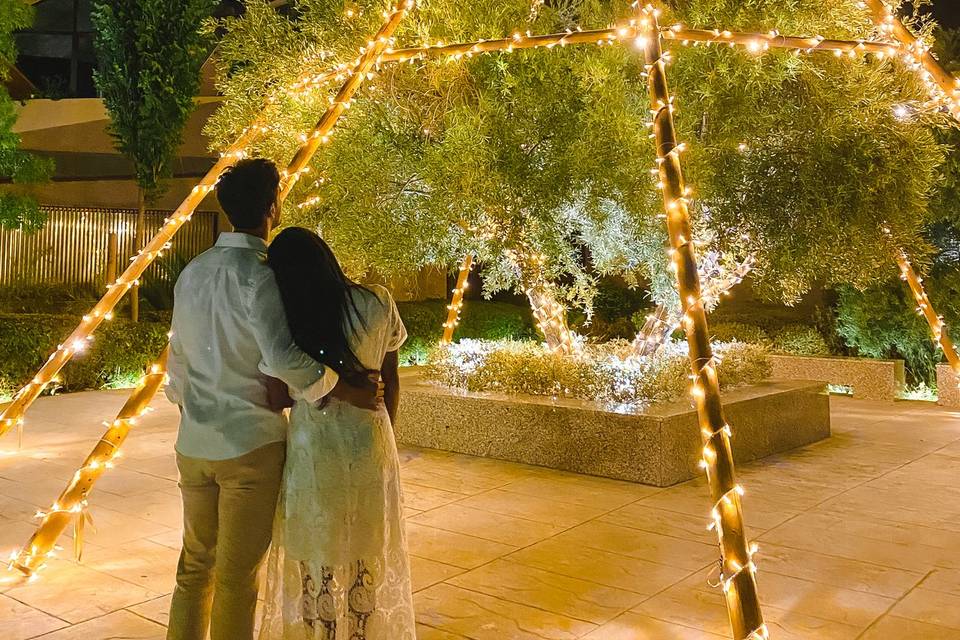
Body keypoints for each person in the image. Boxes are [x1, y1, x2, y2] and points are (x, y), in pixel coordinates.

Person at [164, 158, 380, 640]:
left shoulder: (192, 274)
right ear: (272, 206)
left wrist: (195, 406)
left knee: (194, 567)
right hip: (249, 446)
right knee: (237, 578)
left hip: (193, 444)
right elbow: (282, 359)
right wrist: (344, 386)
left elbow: (175, 363)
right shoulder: (259, 276)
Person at [258, 227, 416, 639]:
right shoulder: (377, 301)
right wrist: (386, 433)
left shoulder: (293, 322)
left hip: (315, 450)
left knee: (318, 562)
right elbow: (391, 376)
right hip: (371, 441)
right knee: (365, 557)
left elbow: (277, 395)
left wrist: (314, 391)